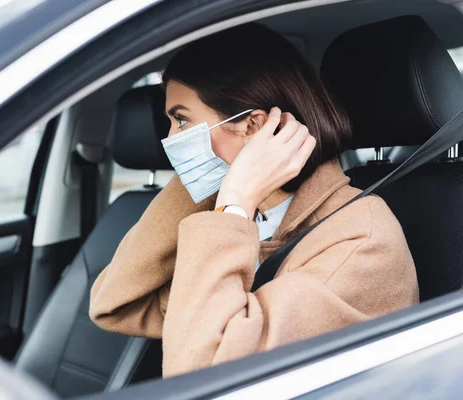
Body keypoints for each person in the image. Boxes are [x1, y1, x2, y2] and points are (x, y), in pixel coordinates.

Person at [89, 23, 419, 377]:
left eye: (182, 121)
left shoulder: (361, 237)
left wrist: (234, 203)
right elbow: (115, 302)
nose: (170, 138)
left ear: (252, 127)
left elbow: (205, 372)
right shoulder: (250, 213)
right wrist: (208, 185)